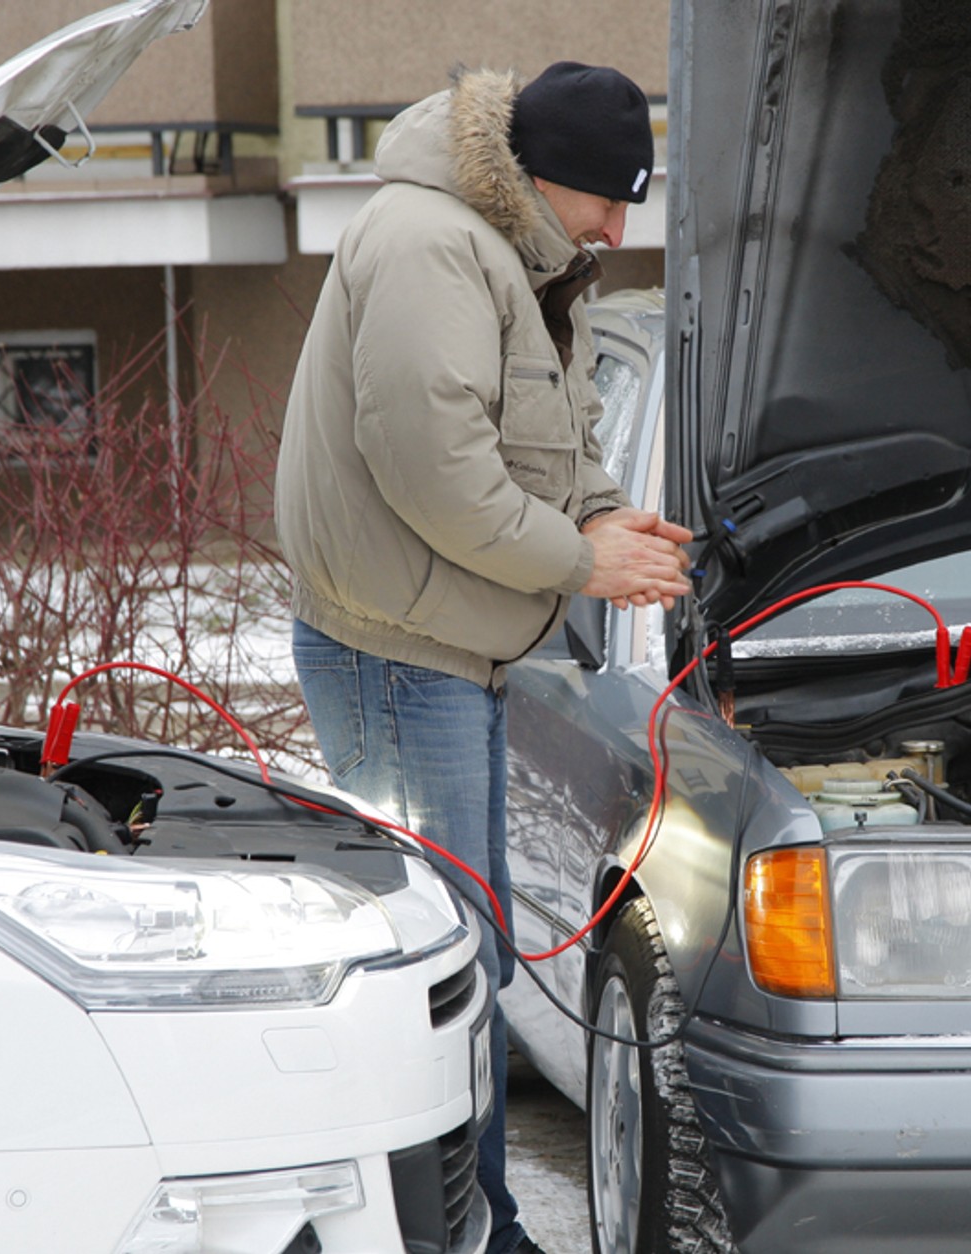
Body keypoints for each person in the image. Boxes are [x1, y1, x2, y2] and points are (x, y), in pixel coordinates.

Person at [275, 60, 693, 1254]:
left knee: (467, 946)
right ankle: (460, 1232)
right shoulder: (429, 248)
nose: (617, 227)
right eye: (607, 201)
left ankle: (471, 1222)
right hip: (398, 657)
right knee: (441, 967)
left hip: (446, 649)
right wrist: (580, 562)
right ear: (540, 175)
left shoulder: (514, 251)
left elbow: (551, 430)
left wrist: (614, 515)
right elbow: (437, 472)